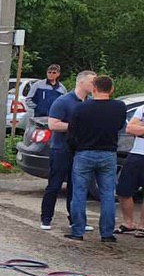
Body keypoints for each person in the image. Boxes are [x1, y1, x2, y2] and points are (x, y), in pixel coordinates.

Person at [67, 75, 128, 243]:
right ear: (112, 89)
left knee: (79, 193)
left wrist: (74, 149)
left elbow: (72, 133)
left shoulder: (81, 108)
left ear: (94, 89)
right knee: (108, 194)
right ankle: (107, 233)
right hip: (108, 153)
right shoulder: (119, 107)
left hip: (84, 152)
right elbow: (120, 126)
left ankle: (78, 231)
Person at [41, 69, 95, 231]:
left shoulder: (91, 102)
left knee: (77, 186)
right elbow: (53, 124)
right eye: (92, 82)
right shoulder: (63, 101)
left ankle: (76, 220)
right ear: (81, 82)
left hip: (81, 150)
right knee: (55, 184)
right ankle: (46, 218)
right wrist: (76, 127)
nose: (95, 85)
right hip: (61, 149)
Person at [117, 104, 144, 237]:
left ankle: (143, 226)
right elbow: (130, 128)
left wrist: (140, 129)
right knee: (123, 188)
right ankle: (129, 223)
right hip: (137, 154)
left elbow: (136, 128)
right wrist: (137, 129)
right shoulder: (142, 108)